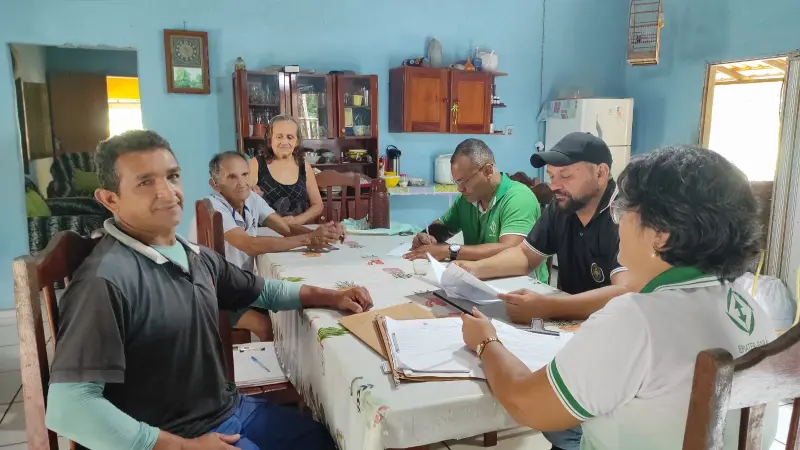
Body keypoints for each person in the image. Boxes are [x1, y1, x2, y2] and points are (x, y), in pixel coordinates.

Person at [44, 130, 374, 450]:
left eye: (172, 177)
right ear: (110, 199)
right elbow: (69, 407)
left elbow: (264, 291)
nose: (167, 192)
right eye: (146, 182)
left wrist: (331, 296)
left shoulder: (194, 255)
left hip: (228, 410)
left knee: (329, 439)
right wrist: (183, 447)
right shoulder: (105, 280)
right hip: (178, 435)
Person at [460, 144, 777, 449]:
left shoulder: (636, 318)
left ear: (660, 235)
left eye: (625, 211)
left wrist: (486, 342)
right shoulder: (749, 306)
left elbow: (525, 403)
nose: (619, 222)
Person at [456, 133, 632, 323]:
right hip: (572, 324)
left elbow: (625, 293)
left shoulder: (626, 216)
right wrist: (473, 270)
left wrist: (550, 307)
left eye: (565, 176)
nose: (554, 186)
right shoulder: (562, 206)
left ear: (600, 173)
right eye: (551, 176)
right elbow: (525, 255)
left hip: (615, 328)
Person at [189, 151, 345, 341]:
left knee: (293, 306)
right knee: (266, 325)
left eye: (245, 175)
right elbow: (250, 245)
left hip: (239, 286)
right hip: (213, 295)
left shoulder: (251, 199)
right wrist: (309, 238)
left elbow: (285, 227)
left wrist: (322, 234)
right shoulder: (214, 207)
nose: (242, 183)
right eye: (232, 177)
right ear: (214, 184)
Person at [403, 139, 548, 283]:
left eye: (464, 181)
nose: (459, 189)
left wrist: (448, 251)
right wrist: (428, 236)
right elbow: (444, 227)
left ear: (488, 171)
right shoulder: (468, 199)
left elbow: (511, 250)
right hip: (480, 279)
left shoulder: (518, 198)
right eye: (456, 182)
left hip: (523, 286)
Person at [249, 115, 324, 224]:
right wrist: (250, 194)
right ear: (270, 140)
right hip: (266, 233)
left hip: (296, 233)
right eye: (279, 137)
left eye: (290, 137)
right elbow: (244, 200)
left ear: (297, 141)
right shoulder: (256, 163)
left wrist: (297, 220)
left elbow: (318, 205)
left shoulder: (304, 166)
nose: (284, 142)